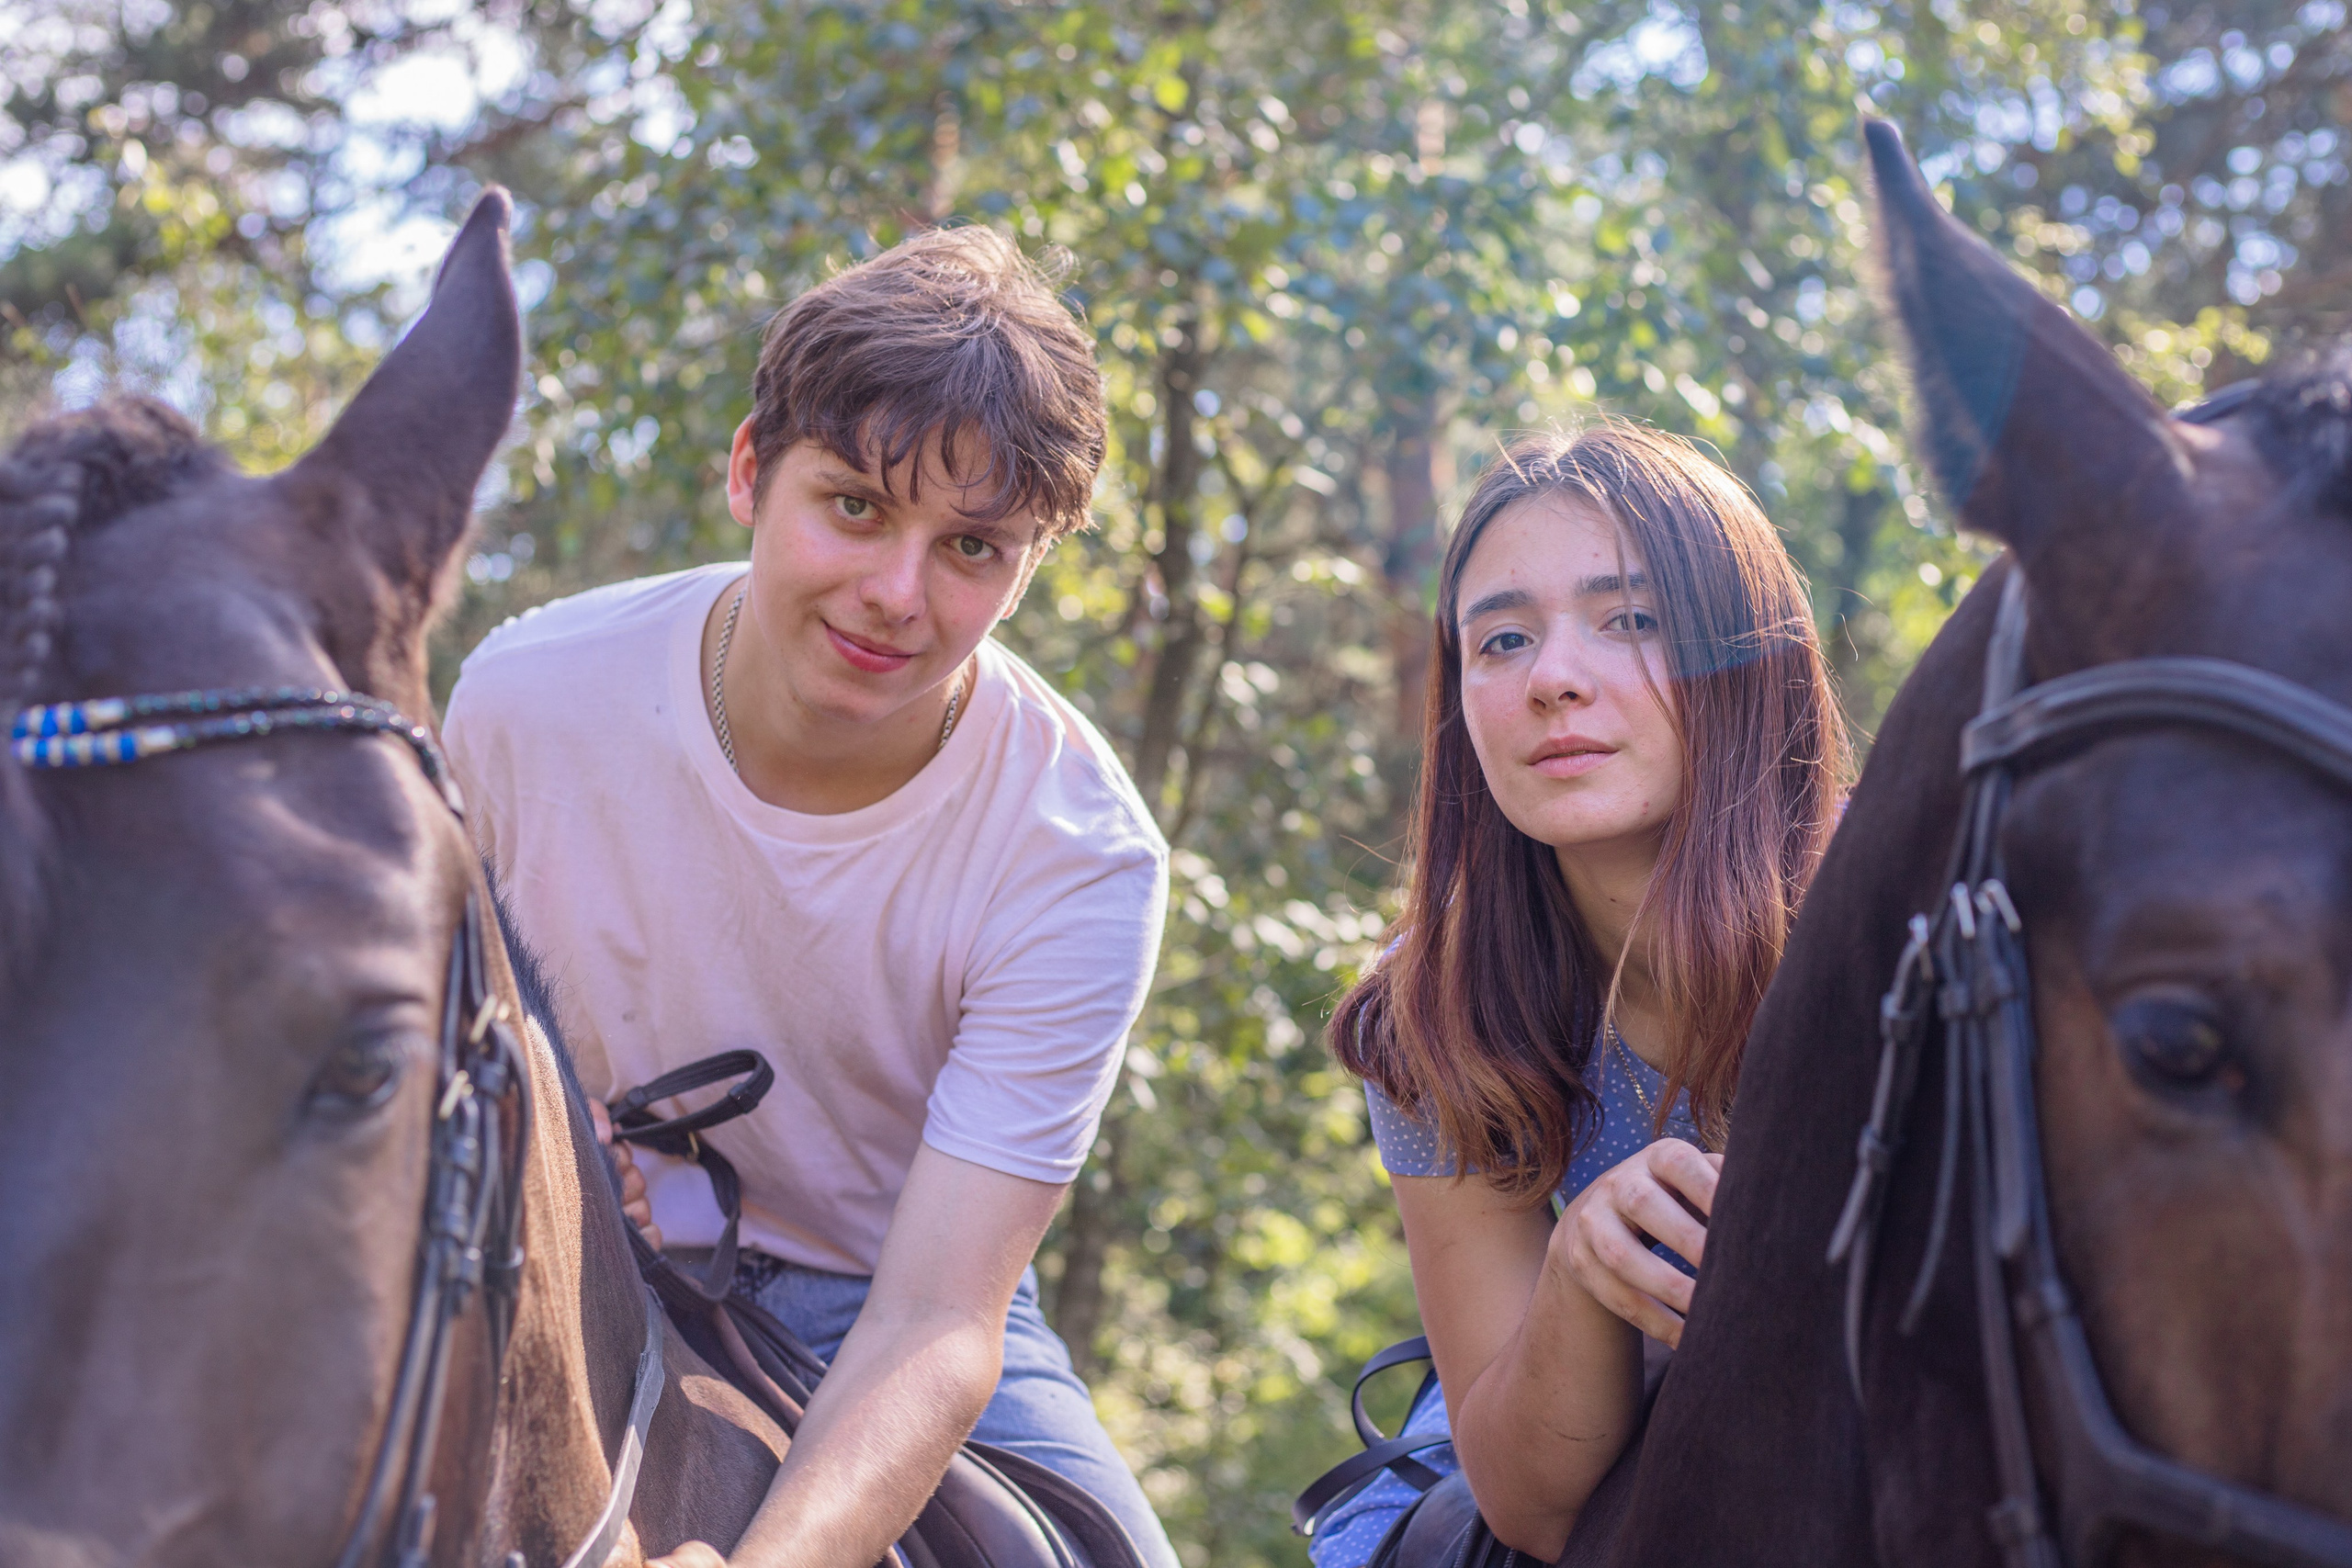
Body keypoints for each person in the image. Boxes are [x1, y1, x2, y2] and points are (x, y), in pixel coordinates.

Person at [442, 227, 1181, 1568]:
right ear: (749, 470)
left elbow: (937, 1318)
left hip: (885, 1290)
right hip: (563, 1232)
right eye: (853, 504)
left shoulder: (1079, 852)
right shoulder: (523, 699)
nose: (897, 593)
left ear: (1030, 565)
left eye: (972, 546)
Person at [1311, 423, 1849, 1565]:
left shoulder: (1912, 930)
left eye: (1633, 621)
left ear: (1745, 661)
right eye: (1500, 640)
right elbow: (1530, 1505)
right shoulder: (1434, 1013)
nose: (1554, 677)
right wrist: (1582, 1275)